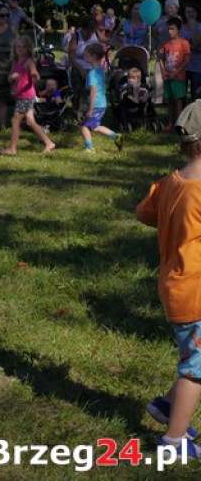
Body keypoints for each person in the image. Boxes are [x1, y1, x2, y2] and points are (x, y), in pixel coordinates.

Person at [136, 100, 201, 459]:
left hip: (175, 285)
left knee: (193, 356)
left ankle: (166, 407)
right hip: (197, 292)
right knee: (197, 369)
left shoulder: (170, 182)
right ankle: (174, 441)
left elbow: (144, 213)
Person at [0, 36, 56, 155]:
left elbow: (35, 74)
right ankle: (49, 143)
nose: (20, 49)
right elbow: (10, 78)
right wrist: (12, 78)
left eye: (23, 47)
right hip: (21, 95)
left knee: (15, 121)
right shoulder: (15, 62)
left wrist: (34, 75)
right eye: (18, 47)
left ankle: (12, 149)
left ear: (28, 48)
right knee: (30, 121)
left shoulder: (29, 61)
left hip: (26, 95)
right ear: (14, 48)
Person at [80, 43, 123, 153]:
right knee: (95, 127)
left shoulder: (92, 73)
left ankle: (89, 148)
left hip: (95, 105)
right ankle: (115, 136)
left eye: (86, 55)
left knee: (84, 126)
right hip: (101, 104)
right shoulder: (100, 71)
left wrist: (90, 108)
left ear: (93, 56)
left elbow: (93, 91)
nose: (83, 56)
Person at [160, 17, 191, 129]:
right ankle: (170, 123)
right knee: (169, 100)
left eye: (172, 29)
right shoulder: (166, 44)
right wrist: (163, 72)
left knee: (178, 101)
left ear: (178, 29)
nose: (170, 31)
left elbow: (186, 60)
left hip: (178, 77)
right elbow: (161, 59)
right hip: (168, 77)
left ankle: (179, 123)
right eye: (168, 29)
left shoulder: (184, 43)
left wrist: (177, 72)